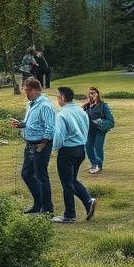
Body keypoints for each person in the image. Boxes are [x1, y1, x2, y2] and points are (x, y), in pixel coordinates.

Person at [9, 77, 55, 214]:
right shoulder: (31, 103)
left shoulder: (45, 105)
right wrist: (20, 124)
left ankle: (47, 208)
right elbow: (31, 123)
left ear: (35, 90)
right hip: (30, 143)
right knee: (27, 173)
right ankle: (38, 204)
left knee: (41, 175)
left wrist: (43, 144)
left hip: (41, 144)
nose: (26, 93)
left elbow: (51, 128)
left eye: (27, 90)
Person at [51, 86, 97, 223]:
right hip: (80, 150)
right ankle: (88, 201)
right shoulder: (81, 111)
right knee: (71, 180)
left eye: (58, 97)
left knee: (66, 183)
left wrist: (54, 149)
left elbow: (59, 136)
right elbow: (86, 128)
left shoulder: (62, 114)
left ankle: (69, 215)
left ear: (63, 98)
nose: (57, 99)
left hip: (67, 151)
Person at [83, 86, 113, 174]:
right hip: (89, 130)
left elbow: (111, 120)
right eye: (90, 93)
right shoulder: (85, 106)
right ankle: (93, 164)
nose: (91, 95)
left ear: (97, 94)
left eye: (93, 93)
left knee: (97, 147)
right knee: (88, 147)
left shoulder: (104, 106)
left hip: (99, 129)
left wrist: (100, 122)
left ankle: (98, 166)